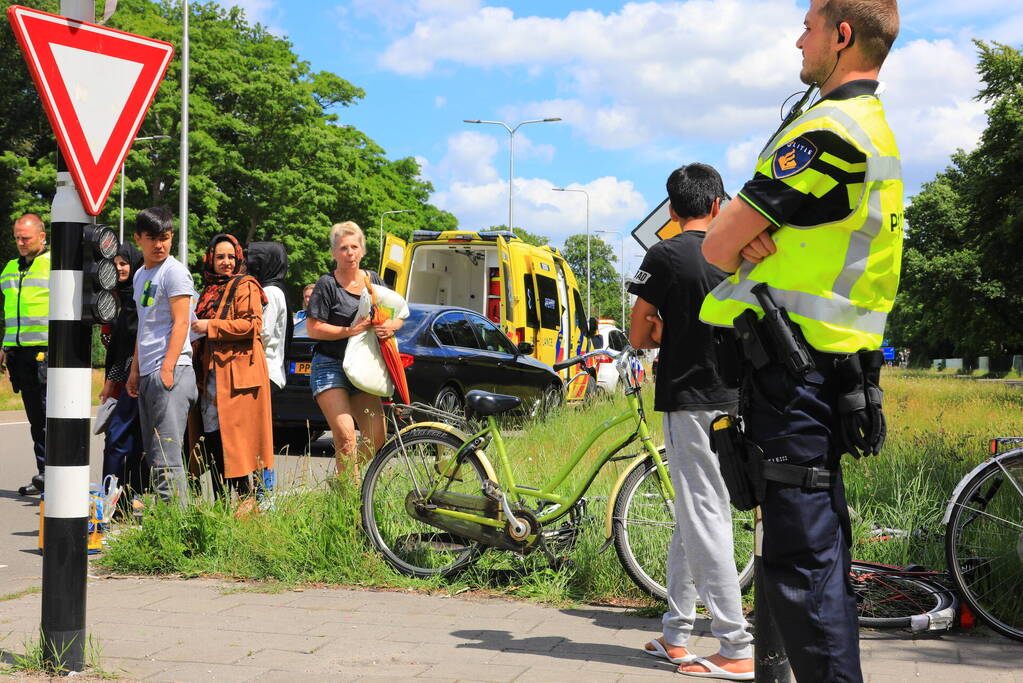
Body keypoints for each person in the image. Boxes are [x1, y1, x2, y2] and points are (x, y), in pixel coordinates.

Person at [700, 2, 902, 681]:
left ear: (841, 36)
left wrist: (741, 240)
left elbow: (718, 245)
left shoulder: (826, 131)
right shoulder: (871, 128)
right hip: (832, 371)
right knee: (813, 556)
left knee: (798, 567)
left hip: (794, 378)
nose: (797, 39)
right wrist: (748, 239)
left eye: (809, 26)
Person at [628, 164, 753, 680]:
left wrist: (659, 334)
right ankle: (676, 634)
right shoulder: (739, 251)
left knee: (705, 515)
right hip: (738, 397)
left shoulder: (664, 254)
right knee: (695, 511)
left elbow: (637, 331)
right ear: (719, 203)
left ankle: (736, 645)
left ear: (672, 209)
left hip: (688, 398)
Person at [306, 222, 402, 476]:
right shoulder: (327, 284)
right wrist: (349, 331)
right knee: (346, 437)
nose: (349, 252)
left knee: (376, 439)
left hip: (364, 366)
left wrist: (390, 326)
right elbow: (314, 329)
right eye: (343, 248)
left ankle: (343, 479)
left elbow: (399, 314)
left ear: (362, 251)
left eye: (354, 247)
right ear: (334, 253)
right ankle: (351, 501)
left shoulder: (373, 281)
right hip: (330, 365)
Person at [189, 234, 273, 505]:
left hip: (237, 379)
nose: (225, 262)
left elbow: (252, 326)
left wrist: (209, 326)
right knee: (213, 437)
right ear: (210, 259)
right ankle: (224, 504)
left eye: (230, 257)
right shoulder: (208, 289)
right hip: (212, 374)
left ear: (239, 259)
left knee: (234, 443)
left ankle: (244, 504)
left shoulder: (245, 284)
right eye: (219, 257)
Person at [126, 207, 198, 507]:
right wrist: (134, 370)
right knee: (155, 454)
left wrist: (167, 369)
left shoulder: (175, 271)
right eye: (153, 238)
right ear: (138, 239)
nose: (160, 245)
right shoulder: (141, 274)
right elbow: (145, 325)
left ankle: (176, 530)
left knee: (167, 456)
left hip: (172, 370)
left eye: (165, 238)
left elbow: (182, 322)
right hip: (148, 371)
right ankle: (167, 523)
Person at [1, 214, 50, 495]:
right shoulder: (9, 268)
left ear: (42, 237)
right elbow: (11, 313)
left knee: (48, 418)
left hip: (46, 353)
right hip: (19, 355)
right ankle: (44, 474)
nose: (20, 242)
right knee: (35, 419)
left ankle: (56, 477)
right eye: (17, 237)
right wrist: (5, 346)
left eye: (26, 237)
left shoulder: (55, 265)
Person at [99, 242, 147, 504]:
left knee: (122, 438)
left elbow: (126, 346)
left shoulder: (136, 296)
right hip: (123, 378)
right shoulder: (113, 298)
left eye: (124, 263)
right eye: (115, 263)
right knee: (124, 438)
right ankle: (121, 498)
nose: (118, 268)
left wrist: (111, 381)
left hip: (133, 376)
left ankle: (115, 499)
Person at [244, 240, 290, 494]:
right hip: (267, 372)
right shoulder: (273, 289)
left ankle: (265, 493)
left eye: (252, 259)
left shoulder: (271, 292)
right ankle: (262, 491)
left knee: (259, 438)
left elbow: (262, 331)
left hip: (266, 373)